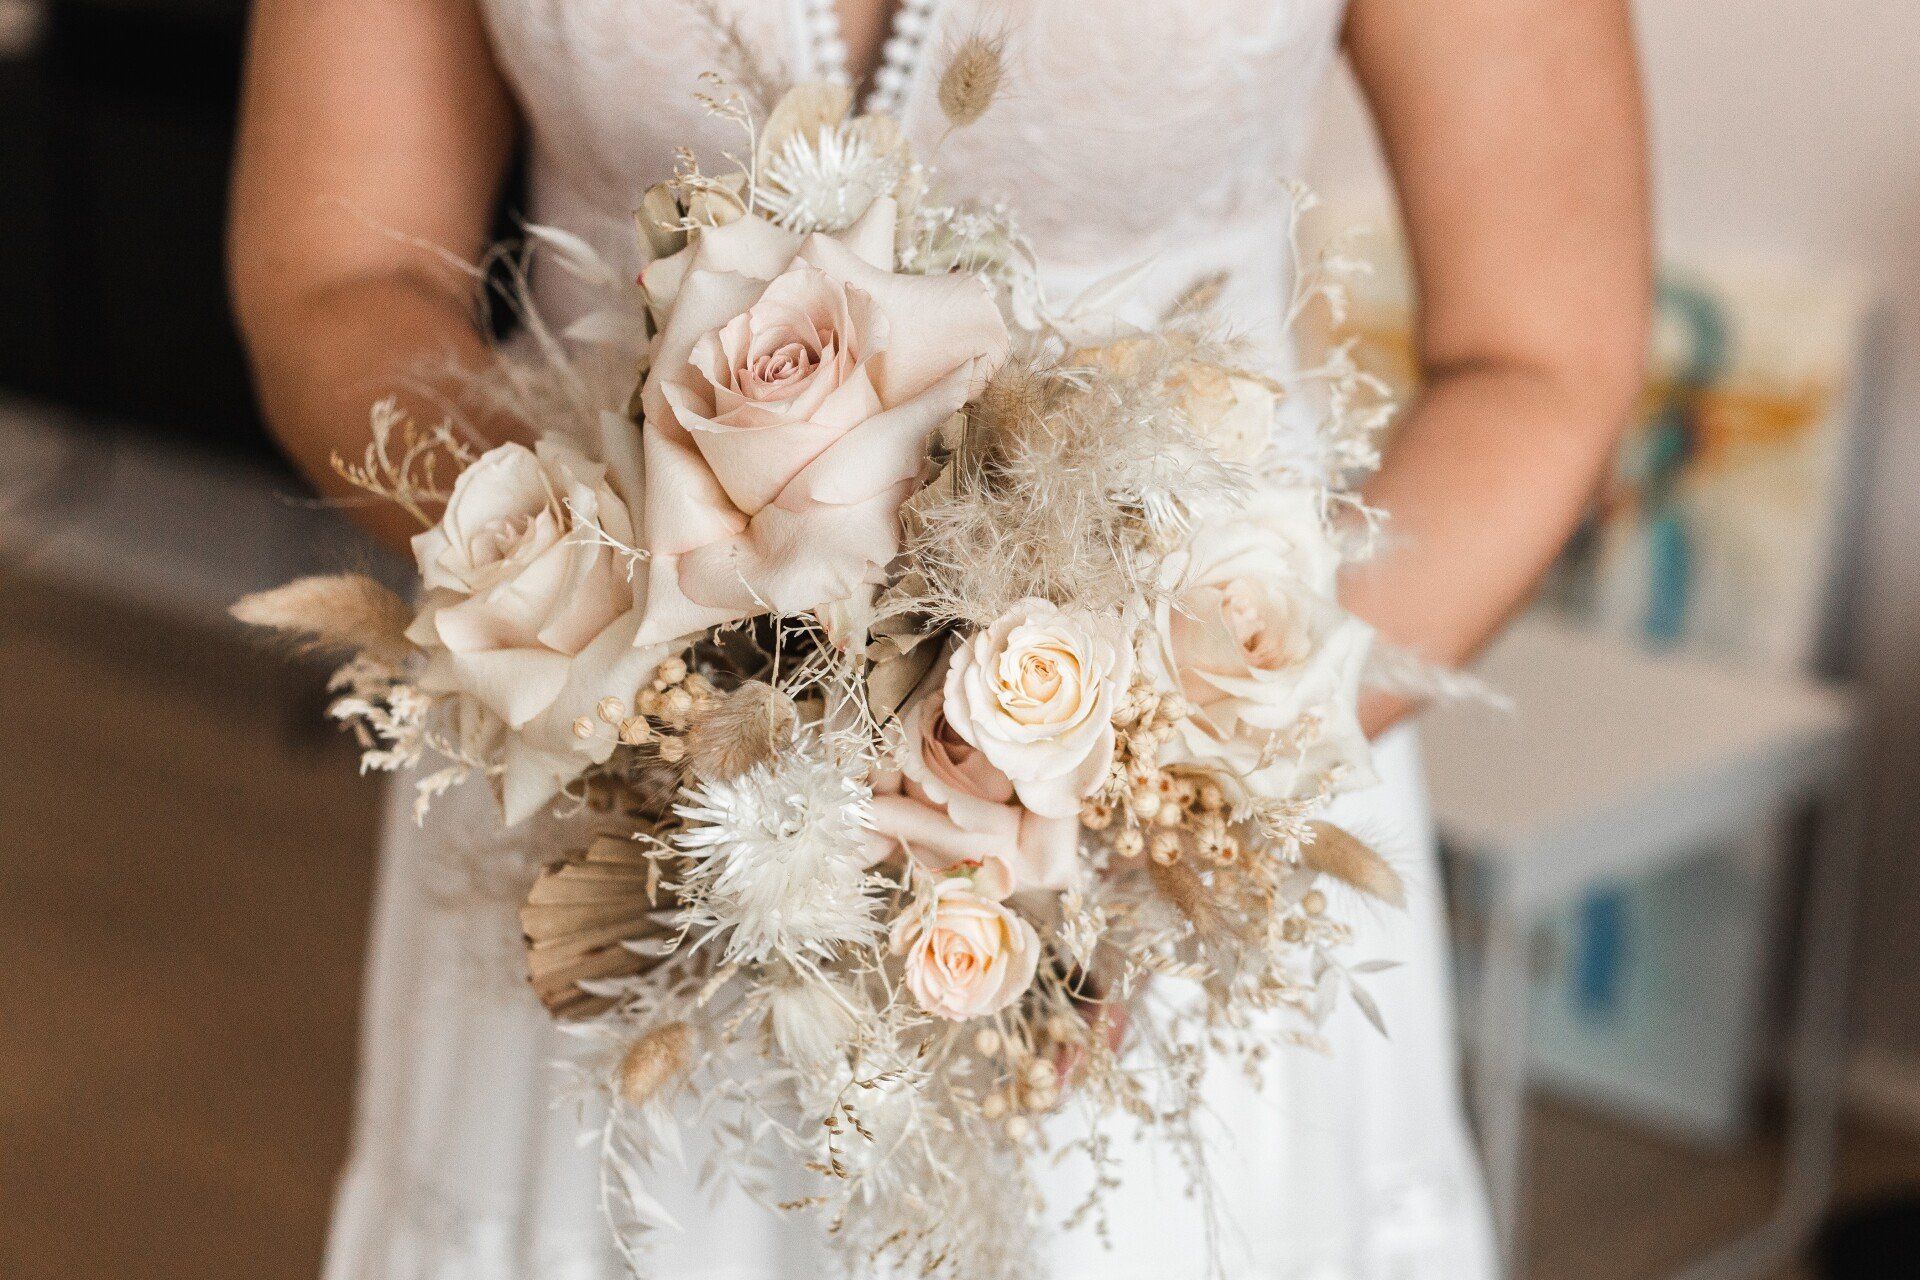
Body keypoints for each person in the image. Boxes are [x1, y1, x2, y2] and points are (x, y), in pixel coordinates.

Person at [229, 2, 1650, 1276]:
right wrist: (627, 631)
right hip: (615, 780)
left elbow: (1543, 354)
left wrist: (1126, 791)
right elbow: (335, 275)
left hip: (1178, 822)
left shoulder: (1159, 804)